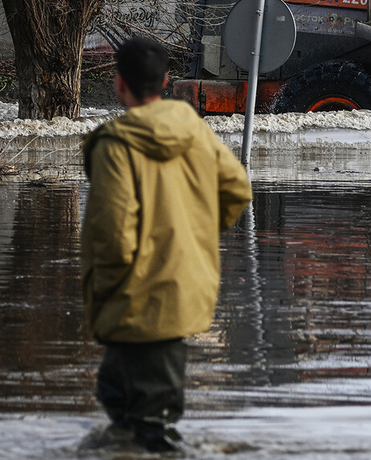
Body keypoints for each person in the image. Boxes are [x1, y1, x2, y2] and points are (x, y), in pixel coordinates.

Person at [81, 37, 252, 453]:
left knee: (152, 419)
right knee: (118, 392)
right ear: (167, 81)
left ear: (119, 84)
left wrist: (104, 289)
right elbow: (237, 188)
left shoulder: (116, 145)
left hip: (134, 290)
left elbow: (114, 230)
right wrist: (194, 237)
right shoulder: (195, 129)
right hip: (183, 283)